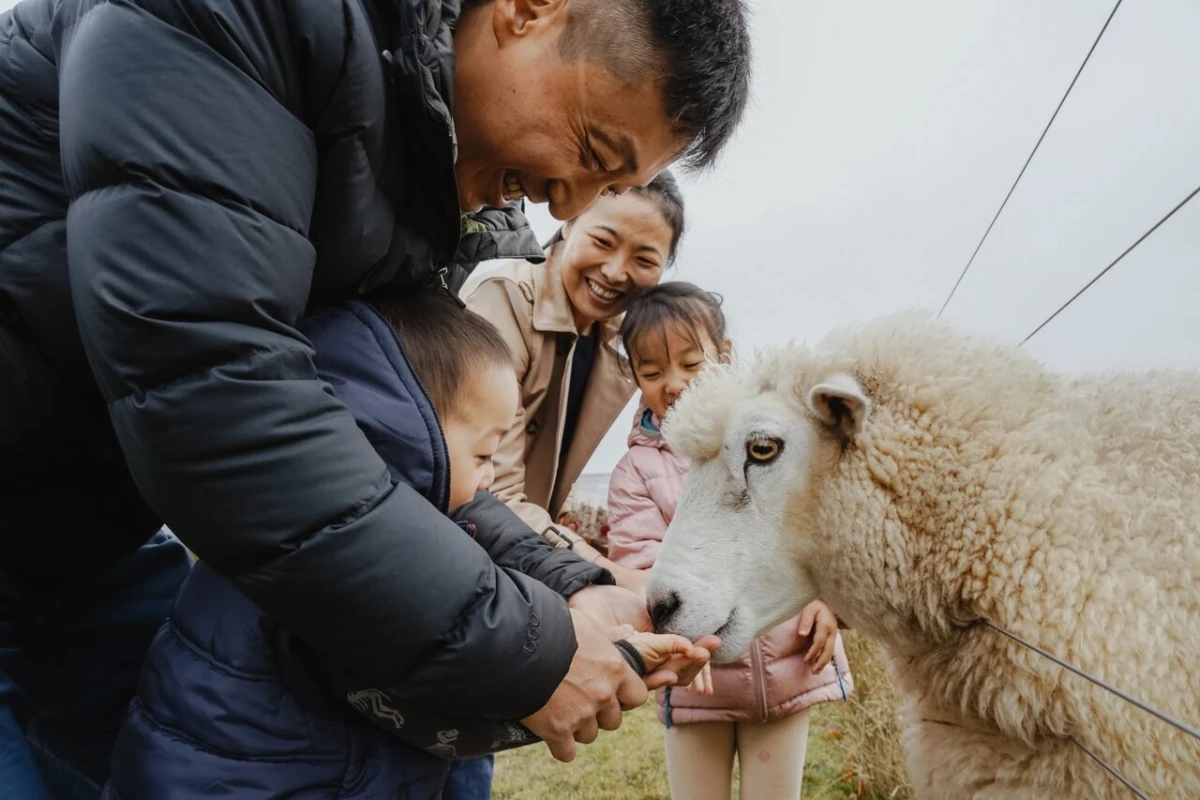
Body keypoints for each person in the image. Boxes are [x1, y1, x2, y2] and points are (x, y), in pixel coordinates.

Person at [0, 0, 752, 792]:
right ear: (529, 10)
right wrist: (529, 654)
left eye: (612, 184)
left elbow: (403, 451)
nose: (567, 207)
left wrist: (579, 589)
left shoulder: (415, 176)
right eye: (594, 150)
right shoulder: (246, 21)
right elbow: (220, 399)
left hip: (80, 546)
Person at [101, 288, 717, 798]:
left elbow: (476, 588)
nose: (482, 483)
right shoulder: (348, 563)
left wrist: (582, 598)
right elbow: (432, 708)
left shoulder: (376, 512)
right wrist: (604, 667)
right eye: (481, 453)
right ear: (410, 429)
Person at [606, 283, 855, 800]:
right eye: (651, 373)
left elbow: (812, 527)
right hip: (698, 682)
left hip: (790, 670)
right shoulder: (637, 471)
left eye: (691, 364)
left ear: (725, 356)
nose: (673, 384)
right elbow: (640, 562)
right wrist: (682, 644)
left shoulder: (768, 445)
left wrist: (830, 602)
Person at [463, 172, 685, 593]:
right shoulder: (502, 300)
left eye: (644, 259)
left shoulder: (618, 338)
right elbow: (491, 491)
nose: (616, 271)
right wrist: (611, 572)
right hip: (472, 552)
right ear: (568, 223)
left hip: (519, 554)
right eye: (602, 241)